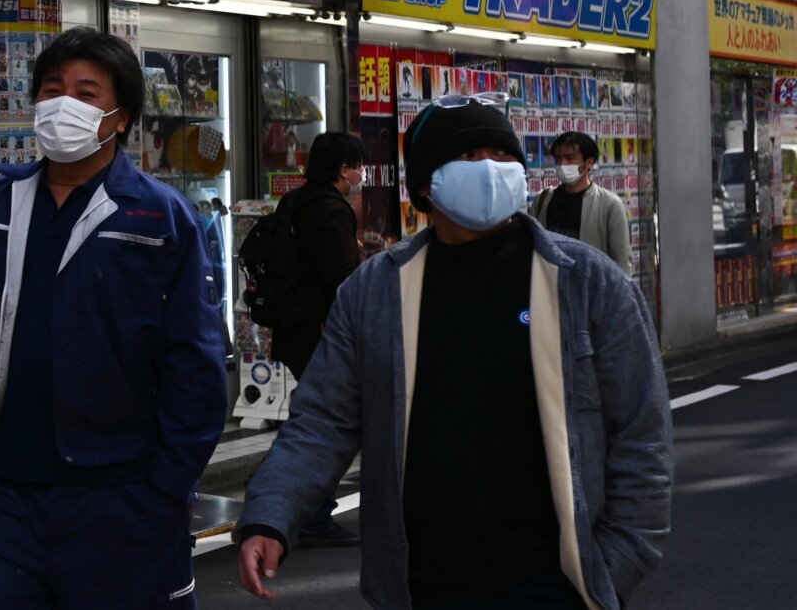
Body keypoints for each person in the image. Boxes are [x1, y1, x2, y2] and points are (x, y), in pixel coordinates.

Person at [237, 92, 672, 610]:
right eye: (468, 157)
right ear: (426, 184)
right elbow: (323, 420)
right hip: (419, 584)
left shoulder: (589, 285)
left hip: (555, 585)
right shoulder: (375, 292)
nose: (490, 169)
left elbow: (642, 435)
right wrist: (270, 513)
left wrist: (610, 570)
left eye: (502, 155)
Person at [0, 27, 227, 609]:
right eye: (52, 88)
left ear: (120, 118)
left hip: (122, 491)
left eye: (86, 92)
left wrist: (169, 489)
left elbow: (195, 360)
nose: (63, 102)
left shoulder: (159, 216)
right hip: (12, 488)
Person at [267, 130, 366, 550]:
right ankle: (310, 510)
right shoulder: (331, 210)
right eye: (358, 165)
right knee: (328, 422)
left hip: (293, 328)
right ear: (344, 169)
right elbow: (343, 276)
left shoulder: (296, 201)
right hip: (322, 333)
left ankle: (299, 503)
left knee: (313, 417)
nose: (361, 173)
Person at [531, 131, 633, 273]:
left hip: (591, 290)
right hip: (551, 288)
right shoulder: (543, 199)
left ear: (588, 163)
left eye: (569, 158)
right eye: (558, 159)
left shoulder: (610, 204)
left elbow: (622, 262)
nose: (562, 164)